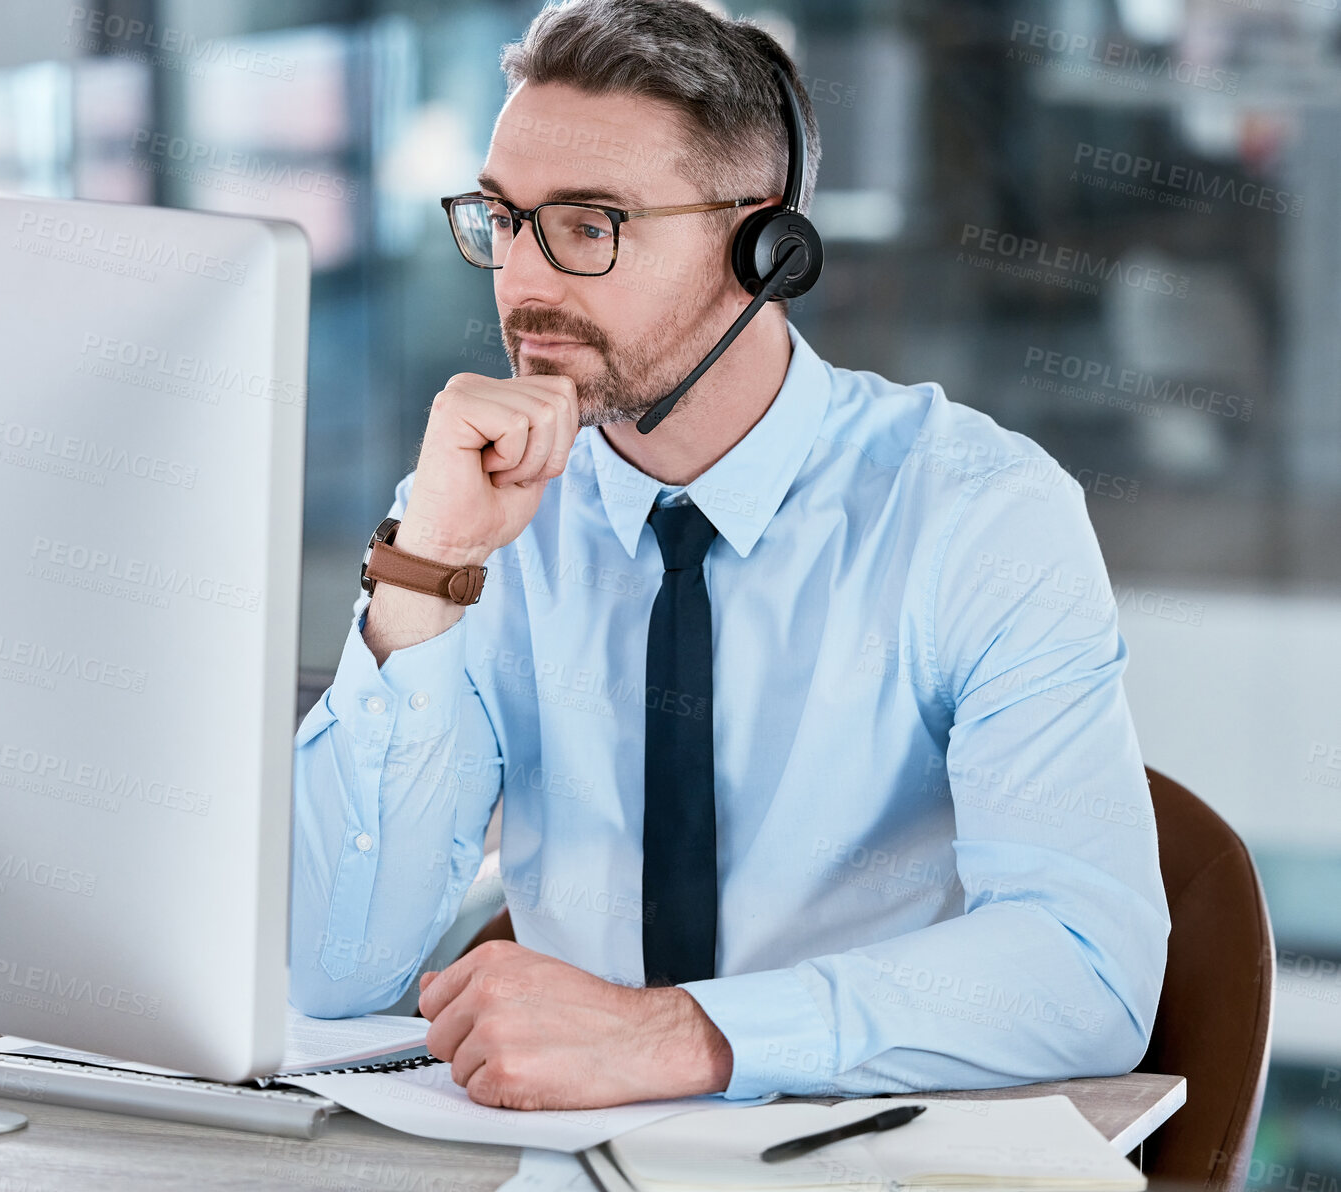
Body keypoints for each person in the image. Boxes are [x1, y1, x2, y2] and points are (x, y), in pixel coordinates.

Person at [288, 0, 1169, 1112]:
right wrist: (425, 575)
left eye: (589, 223)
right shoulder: (473, 512)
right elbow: (332, 970)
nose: (523, 280)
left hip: (870, 1161)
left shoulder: (976, 514)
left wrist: (679, 1038)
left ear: (761, 245)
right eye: (503, 219)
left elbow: (1085, 972)